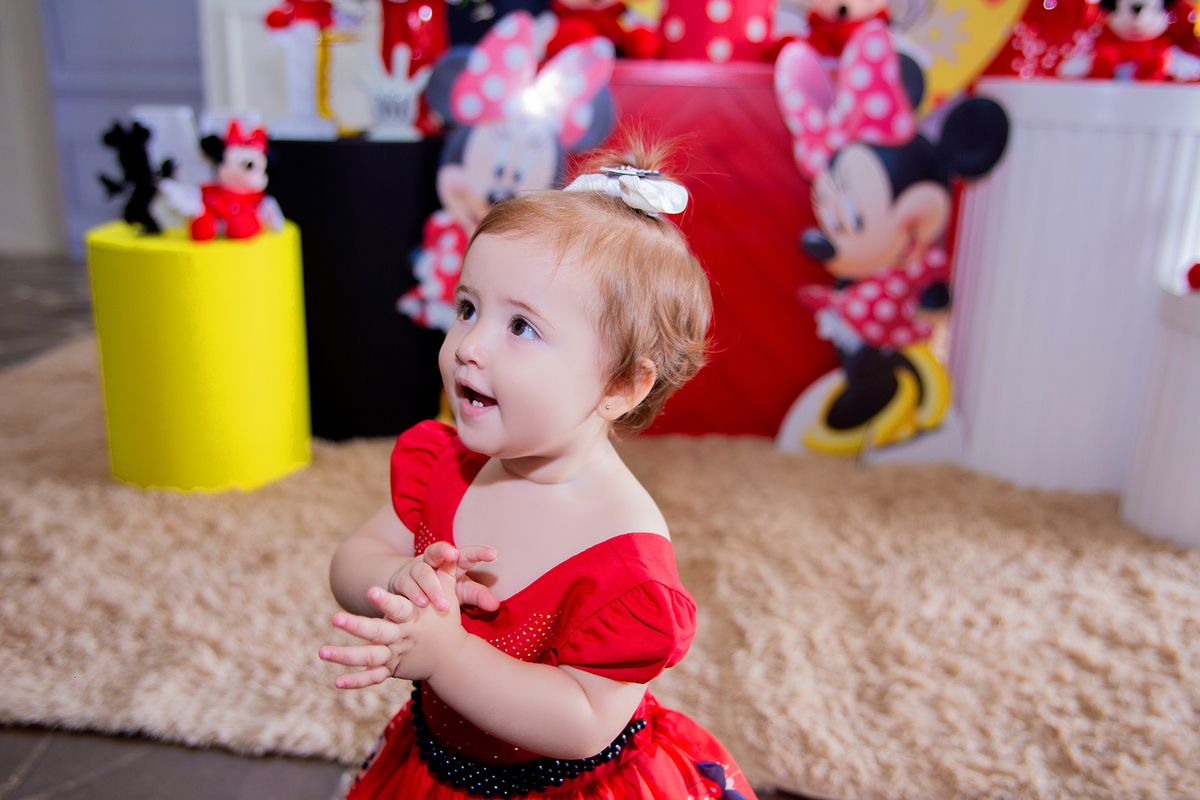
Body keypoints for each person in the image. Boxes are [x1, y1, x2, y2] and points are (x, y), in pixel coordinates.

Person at [319, 138, 758, 800]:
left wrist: (448, 656)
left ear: (620, 386)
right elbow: (354, 556)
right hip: (442, 766)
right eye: (468, 309)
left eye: (520, 327)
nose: (469, 347)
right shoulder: (449, 464)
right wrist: (396, 579)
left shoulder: (625, 556)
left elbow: (583, 721)